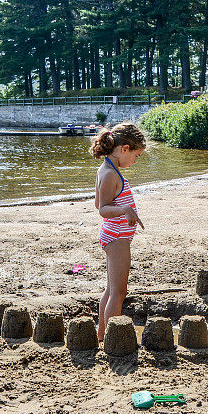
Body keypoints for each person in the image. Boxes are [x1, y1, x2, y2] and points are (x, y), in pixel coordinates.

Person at [89, 122, 146, 341]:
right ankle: (112, 338)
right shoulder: (111, 174)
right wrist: (125, 209)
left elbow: (98, 203)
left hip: (115, 235)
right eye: (136, 155)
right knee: (119, 294)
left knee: (111, 290)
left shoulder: (108, 168)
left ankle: (102, 336)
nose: (135, 160)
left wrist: (124, 210)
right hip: (117, 237)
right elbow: (102, 209)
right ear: (124, 149)